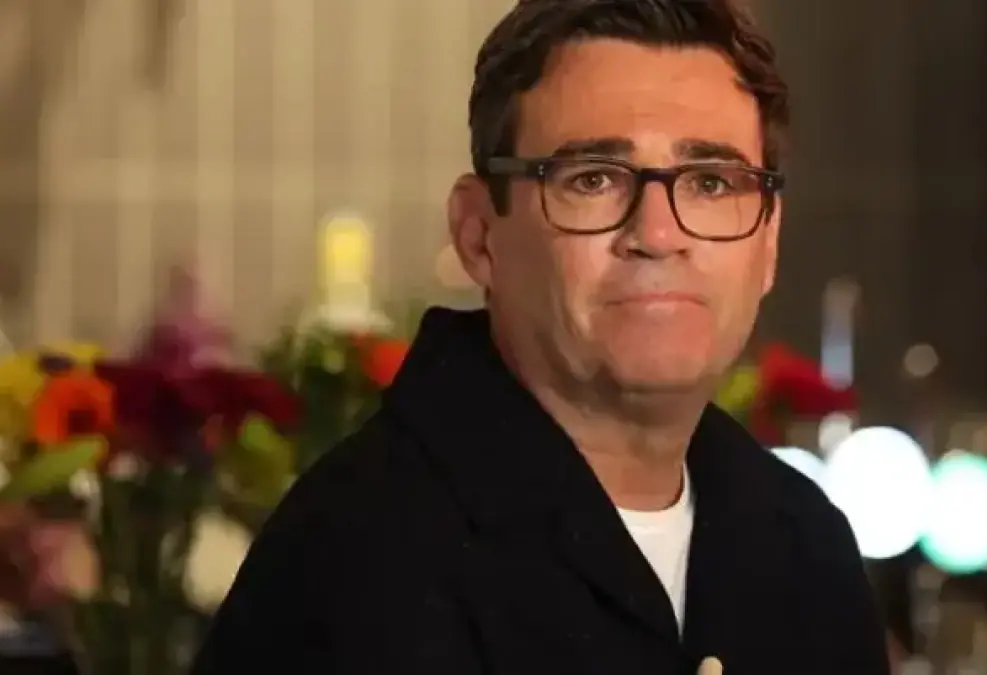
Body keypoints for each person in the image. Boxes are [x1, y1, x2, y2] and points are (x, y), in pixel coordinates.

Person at [190, 0, 890, 673]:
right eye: (594, 179)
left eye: (710, 183)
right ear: (478, 234)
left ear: (769, 243)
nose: (657, 234)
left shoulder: (806, 551)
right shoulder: (359, 562)